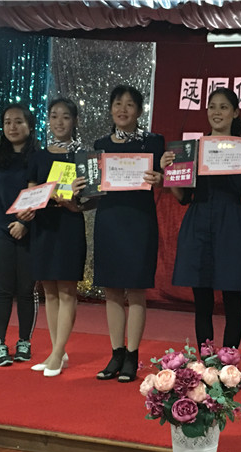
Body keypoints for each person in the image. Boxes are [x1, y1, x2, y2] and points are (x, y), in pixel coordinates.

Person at [160, 88, 241, 350]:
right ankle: (206, 359)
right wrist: (169, 171)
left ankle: (229, 361)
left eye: (224, 107)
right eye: (212, 106)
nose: (217, 112)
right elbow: (183, 197)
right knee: (202, 301)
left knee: (233, 300)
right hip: (199, 222)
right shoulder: (193, 149)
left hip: (232, 225)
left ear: (235, 113)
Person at [90, 85, 164, 383]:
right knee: (111, 289)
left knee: (135, 289)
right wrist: (84, 186)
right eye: (117, 104)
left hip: (140, 221)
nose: (123, 109)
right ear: (110, 109)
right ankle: (116, 353)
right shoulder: (99, 145)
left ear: (140, 110)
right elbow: (92, 188)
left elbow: (169, 179)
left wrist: (161, 178)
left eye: (130, 104)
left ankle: (132, 355)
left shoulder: (153, 142)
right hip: (109, 220)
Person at [21, 97, 87, 377]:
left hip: (69, 224)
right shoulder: (38, 156)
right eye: (54, 116)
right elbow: (31, 192)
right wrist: (26, 208)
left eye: (66, 117)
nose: (59, 122)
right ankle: (56, 351)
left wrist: (73, 201)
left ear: (74, 121)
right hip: (44, 226)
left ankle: (58, 354)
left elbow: (90, 198)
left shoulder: (83, 157)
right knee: (48, 290)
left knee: (67, 289)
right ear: (48, 120)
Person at [0, 104, 39, 367]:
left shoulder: (38, 157)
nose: (12, 127)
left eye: (18, 121)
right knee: (1, 290)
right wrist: (9, 224)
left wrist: (24, 224)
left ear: (30, 125)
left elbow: (42, 193)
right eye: (7, 122)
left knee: (27, 291)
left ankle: (24, 341)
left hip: (31, 231)